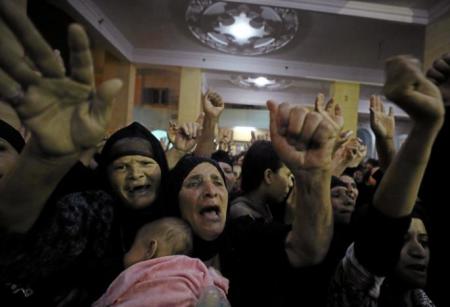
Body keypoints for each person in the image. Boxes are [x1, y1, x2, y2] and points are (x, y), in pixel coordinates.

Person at [166, 92, 339, 306]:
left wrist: (314, 172)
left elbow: (309, 248)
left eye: (218, 183)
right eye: (194, 183)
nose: (210, 190)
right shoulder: (157, 249)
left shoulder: (242, 237)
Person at [328, 55, 445, 307]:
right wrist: (424, 128)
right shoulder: (357, 295)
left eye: (424, 242)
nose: (418, 251)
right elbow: (384, 229)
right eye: (402, 241)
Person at [93, 217, 230, 307]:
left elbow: (114, 294)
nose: (127, 253)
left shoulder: (139, 270)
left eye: (132, 246)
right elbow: (216, 288)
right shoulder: (196, 268)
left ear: (151, 249)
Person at [229, 140, 293, 222]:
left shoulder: (265, 208)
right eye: (287, 175)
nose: (290, 184)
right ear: (268, 176)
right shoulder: (242, 216)